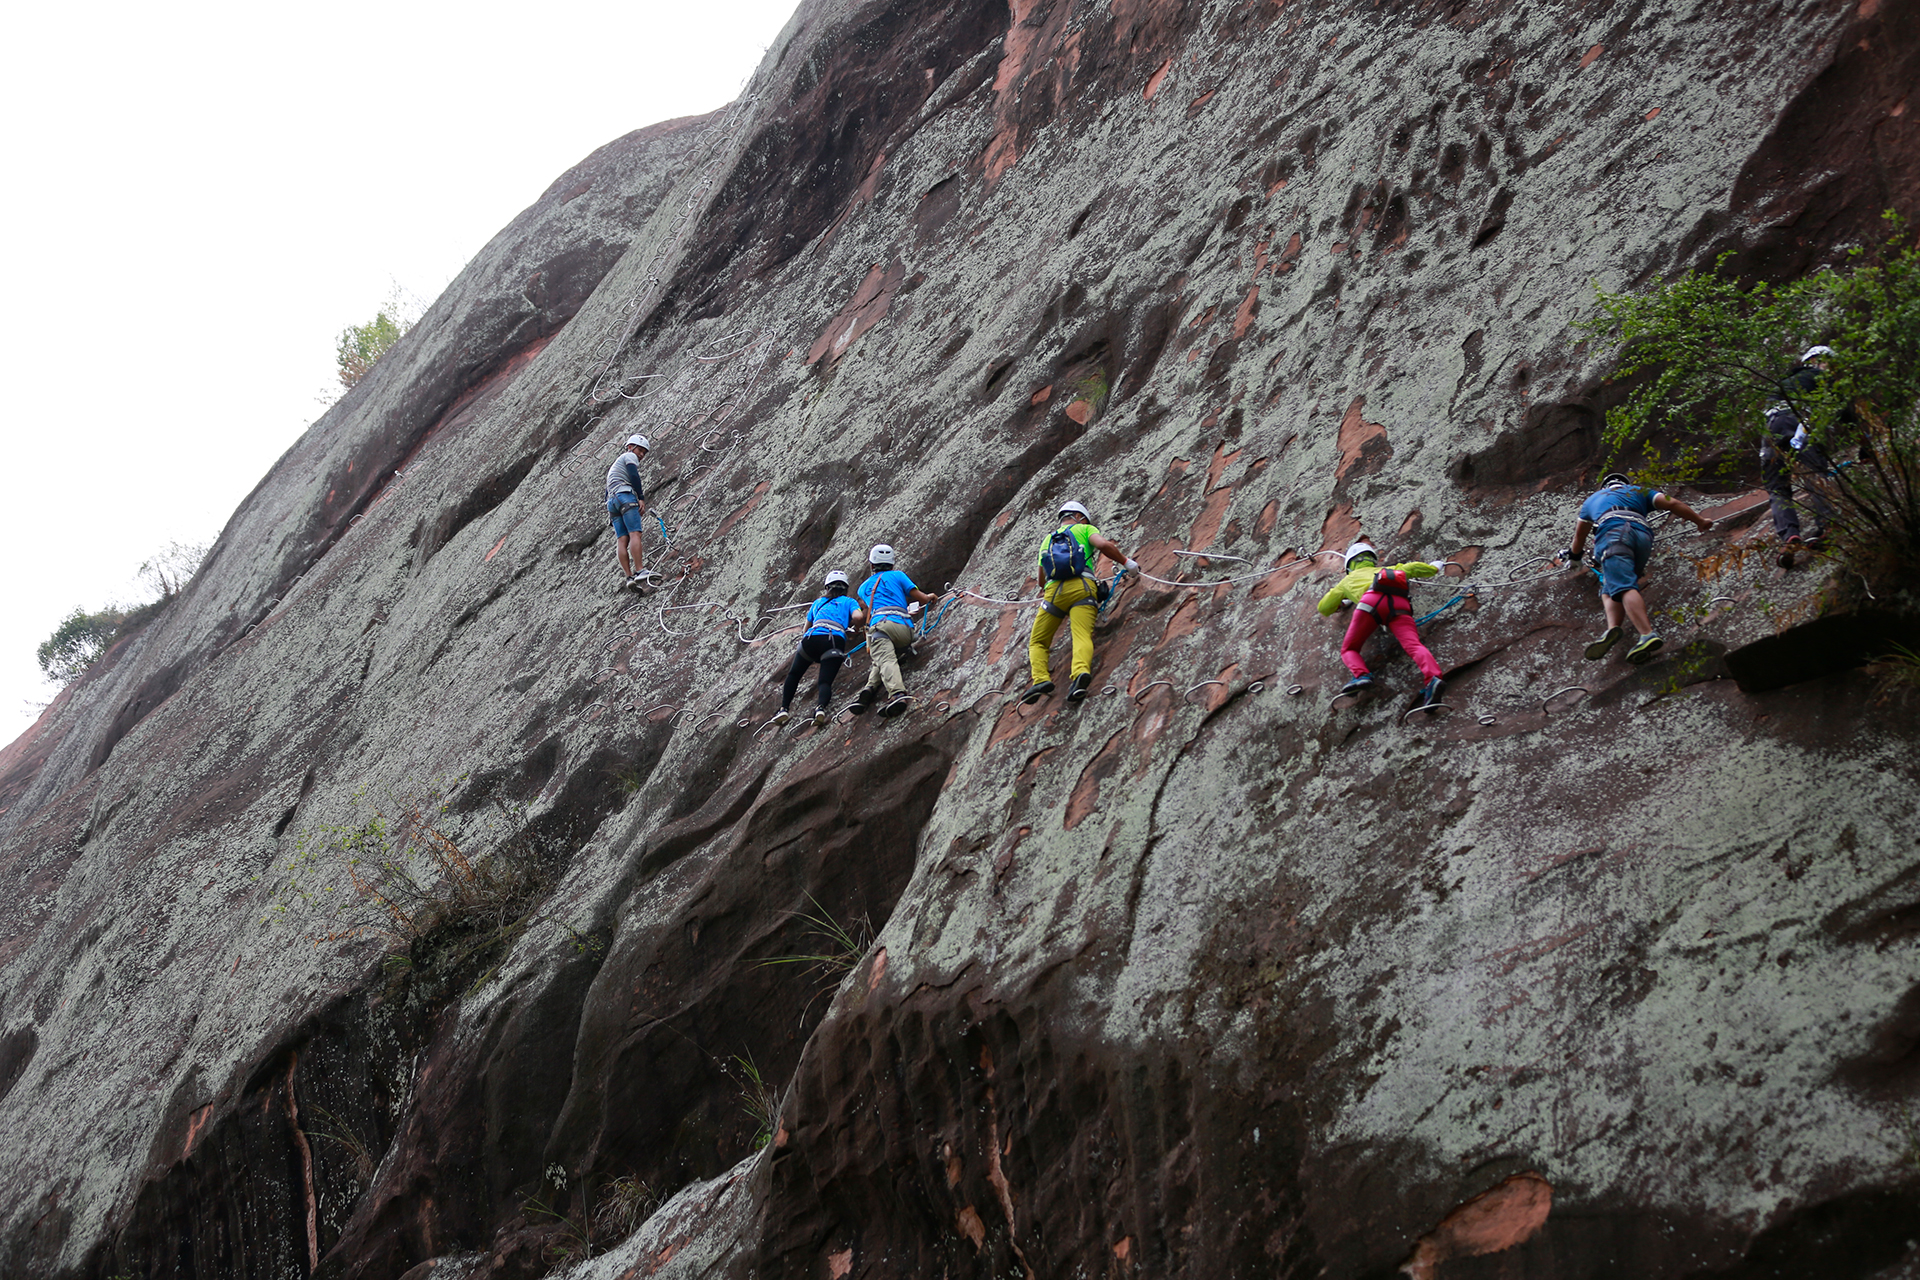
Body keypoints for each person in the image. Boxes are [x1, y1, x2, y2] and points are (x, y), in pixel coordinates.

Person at [1560, 472, 1712, 665]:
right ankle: (1613, 627)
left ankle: (1647, 634)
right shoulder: (1640, 491)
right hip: (1642, 538)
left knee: (1623, 585)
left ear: (1605, 487)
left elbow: (1579, 536)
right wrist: (1700, 521)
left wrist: (1574, 557)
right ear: (1625, 484)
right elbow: (1673, 504)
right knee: (1609, 585)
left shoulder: (1593, 499)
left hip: (1614, 532)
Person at [1023, 502, 1138, 704]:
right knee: (1081, 634)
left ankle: (1040, 680)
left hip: (1053, 593)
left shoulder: (1048, 539)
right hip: (1082, 588)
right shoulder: (1085, 529)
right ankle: (1080, 675)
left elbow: (1042, 580)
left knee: (1038, 641)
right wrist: (1127, 563)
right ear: (1079, 516)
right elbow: (1103, 545)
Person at [1315, 539, 1447, 706]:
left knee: (1349, 649)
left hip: (1370, 603)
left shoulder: (1347, 581)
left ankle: (1361, 676)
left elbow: (1324, 607)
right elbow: (1412, 568)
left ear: (1349, 564)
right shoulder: (1386, 570)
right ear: (1372, 559)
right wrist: (1435, 567)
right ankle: (1433, 679)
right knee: (1414, 645)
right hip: (1400, 605)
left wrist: (1342, 602)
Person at [1761, 344, 1854, 564]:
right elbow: (1845, 410)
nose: (1831, 370)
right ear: (1816, 361)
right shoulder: (1817, 375)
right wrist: (1864, 444)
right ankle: (1829, 525)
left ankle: (1789, 536)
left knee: (1777, 486)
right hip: (1796, 421)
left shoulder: (1784, 384)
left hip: (1769, 428)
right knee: (1814, 474)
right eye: (1829, 364)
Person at [853, 544, 942, 718]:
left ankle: (897, 695)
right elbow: (920, 597)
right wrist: (930, 597)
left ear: (871, 565)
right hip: (905, 629)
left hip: (881, 627)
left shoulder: (862, 588)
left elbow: (868, 606)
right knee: (885, 655)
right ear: (892, 564)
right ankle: (870, 688)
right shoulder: (899, 575)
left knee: (885, 658)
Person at [774, 571, 865, 729]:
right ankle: (820, 709)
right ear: (846, 588)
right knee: (825, 681)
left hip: (811, 639)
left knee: (794, 674)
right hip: (833, 641)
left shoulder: (818, 603)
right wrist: (856, 629)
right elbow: (858, 617)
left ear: (827, 587)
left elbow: (806, 628)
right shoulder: (849, 602)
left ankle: (784, 709)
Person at [605, 434, 654, 587]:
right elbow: (634, 476)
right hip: (625, 495)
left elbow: (607, 491)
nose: (641, 455)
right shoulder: (629, 456)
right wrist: (640, 497)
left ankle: (629, 577)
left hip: (612, 502)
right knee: (635, 533)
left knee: (622, 539)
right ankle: (640, 570)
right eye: (640, 450)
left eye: (644, 453)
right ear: (630, 447)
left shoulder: (614, 467)